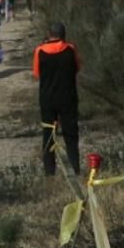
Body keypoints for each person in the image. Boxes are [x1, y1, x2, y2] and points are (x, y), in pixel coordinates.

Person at [32, 22, 80, 176]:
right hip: (68, 97)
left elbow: (36, 73)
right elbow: (78, 67)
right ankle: (75, 170)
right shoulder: (70, 49)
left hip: (47, 99)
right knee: (71, 134)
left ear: (49, 34)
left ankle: (50, 173)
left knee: (48, 135)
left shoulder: (40, 51)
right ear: (63, 34)